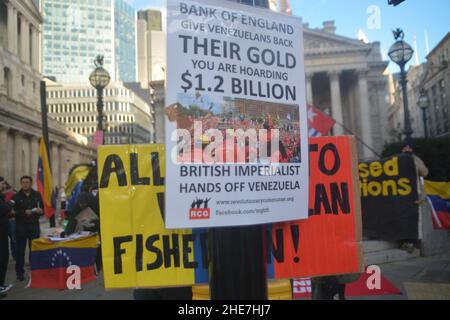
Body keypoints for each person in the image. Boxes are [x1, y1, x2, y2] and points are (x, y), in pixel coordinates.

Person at [12, 176, 44, 282]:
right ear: (21, 184)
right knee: (20, 251)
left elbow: (42, 209)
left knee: (34, 250)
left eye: (27, 182)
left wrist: (40, 211)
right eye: (23, 182)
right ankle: (19, 273)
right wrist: (24, 212)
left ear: (31, 183)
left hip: (34, 226)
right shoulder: (16, 196)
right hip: (21, 227)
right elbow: (12, 212)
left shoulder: (37, 195)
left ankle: (34, 271)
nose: (25, 184)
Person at [400, 141, 429, 253]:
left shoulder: (415, 160)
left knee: (413, 217)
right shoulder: (398, 160)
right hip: (403, 195)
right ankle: (406, 241)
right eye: (405, 147)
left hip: (415, 194)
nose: (407, 149)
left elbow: (424, 172)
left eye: (409, 147)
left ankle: (411, 242)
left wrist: (415, 161)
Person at [0, 177, 14, 297]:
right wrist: (10, 203)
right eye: (2, 183)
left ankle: (1, 284)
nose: (4, 186)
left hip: (3, 231)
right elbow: (2, 210)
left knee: (4, 257)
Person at [1, 181, 16, 261]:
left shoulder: (12, 194)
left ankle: (14, 255)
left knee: (13, 239)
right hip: (3, 220)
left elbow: (16, 204)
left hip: (11, 220)